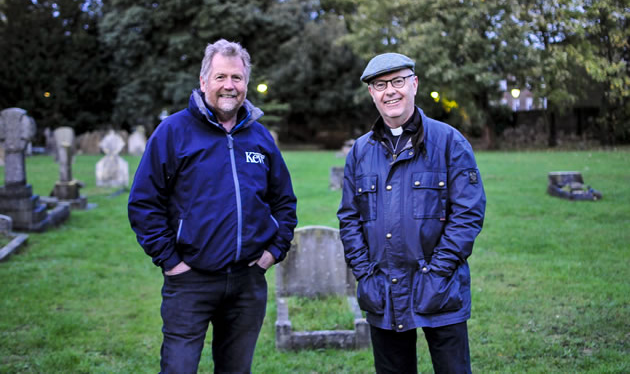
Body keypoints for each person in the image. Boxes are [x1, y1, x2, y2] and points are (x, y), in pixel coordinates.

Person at [128, 39, 297, 374]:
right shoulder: (173, 132)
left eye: (236, 78)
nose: (229, 86)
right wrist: (171, 262)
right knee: (178, 368)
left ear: (246, 84)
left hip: (247, 281)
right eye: (220, 77)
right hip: (190, 280)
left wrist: (273, 251)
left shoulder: (260, 138)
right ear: (204, 81)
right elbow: (144, 202)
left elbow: (284, 201)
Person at [337, 53, 486, 374]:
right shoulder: (361, 152)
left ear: (414, 84)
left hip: (440, 288)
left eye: (398, 81)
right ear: (371, 93)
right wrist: (366, 274)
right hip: (383, 289)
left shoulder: (449, 143)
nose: (390, 91)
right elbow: (349, 219)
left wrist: (437, 272)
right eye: (380, 84)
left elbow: (468, 215)